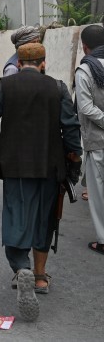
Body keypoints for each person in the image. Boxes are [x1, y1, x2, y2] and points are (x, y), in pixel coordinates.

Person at [0, 42, 82, 321]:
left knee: (16, 215)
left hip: (15, 166)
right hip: (50, 166)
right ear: (44, 63)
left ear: (19, 63)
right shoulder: (58, 88)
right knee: (45, 219)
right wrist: (75, 159)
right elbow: (71, 127)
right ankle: (40, 278)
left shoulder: (4, 86)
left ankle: (20, 266)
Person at [74, 24, 104, 255]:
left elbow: (85, 108)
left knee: (98, 194)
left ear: (85, 47)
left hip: (98, 142)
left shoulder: (85, 71)